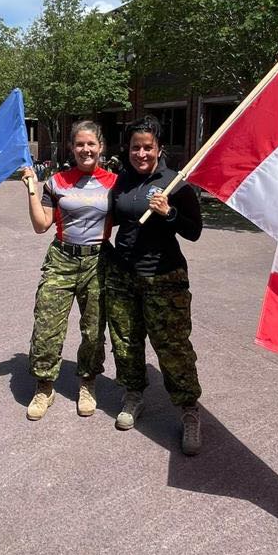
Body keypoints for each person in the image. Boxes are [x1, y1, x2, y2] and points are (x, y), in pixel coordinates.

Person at [106, 115, 204, 455]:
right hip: (124, 277)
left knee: (173, 347)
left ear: (159, 148)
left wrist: (169, 213)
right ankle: (133, 395)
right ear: (128, 149)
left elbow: (194, 231)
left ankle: (190, 410)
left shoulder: (175, 183)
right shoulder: (120, 182)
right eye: (136, 147)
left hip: (165, 278)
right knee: (126, 342)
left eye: (148, 147)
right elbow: (112, 220)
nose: (142, 153)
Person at [20, 121, 117, 421]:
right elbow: (41, 225)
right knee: (47, 325)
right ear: (71, 148)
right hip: (61, 259)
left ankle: (87, 382)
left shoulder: (115, 182)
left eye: (91, 144)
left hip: (98, 261)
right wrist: (32, 189)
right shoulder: (57, 182)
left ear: (100, 147)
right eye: (79, 145)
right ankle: (44, 385)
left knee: (93, 329)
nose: (85, 150)